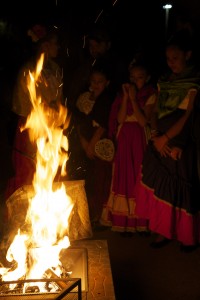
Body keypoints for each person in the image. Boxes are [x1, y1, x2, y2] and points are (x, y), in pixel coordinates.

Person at [134, 30, 200, 251]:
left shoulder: (194, 82)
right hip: (159, 138)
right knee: (161, 186)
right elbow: (154, 111)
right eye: (168, 59)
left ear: (188, 55)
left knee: (180, 187)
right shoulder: (164, 81)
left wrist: (168, 139)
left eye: (176, 58)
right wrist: (155, 135)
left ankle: (186, 236)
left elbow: (189, 116)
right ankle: (163, 230)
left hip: (180, 141)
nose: (171, 63)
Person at [5, 24, 65, 200]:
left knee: (51, 167)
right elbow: (24, 105)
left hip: (52, 128)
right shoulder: (29, 71)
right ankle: (23, 211)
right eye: (55, 43)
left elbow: (59, 99)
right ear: (44, 46)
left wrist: (57, 115)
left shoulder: (55, 69)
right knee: (29, 170)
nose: (58, 47)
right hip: (32, 128)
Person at [100, 60, 157, 235]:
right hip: (124, 138)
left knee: (137, 176)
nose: (135, 81)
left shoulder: (150, 95)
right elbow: (120, 119)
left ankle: (140, 220)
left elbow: (143, 121)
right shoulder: (121, 95)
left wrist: (133, 98)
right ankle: (123, 220)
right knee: (123, 175)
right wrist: (126, 98)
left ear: (147, 78)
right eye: (132, 77)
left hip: (139, 139)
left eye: (140, 78)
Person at [69, 64, 114, 225]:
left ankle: (101, 215)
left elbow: (103, 125)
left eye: (100, 81)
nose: (96, 84)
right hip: (85, 144)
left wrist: (92, 145)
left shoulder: (107, 100)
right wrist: (83, 142)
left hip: (101, 144)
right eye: (93, 81)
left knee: (102, 179)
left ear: (107, 83)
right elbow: (79, 122)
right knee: (89, 179)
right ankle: (88, 213)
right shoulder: (83, 98)